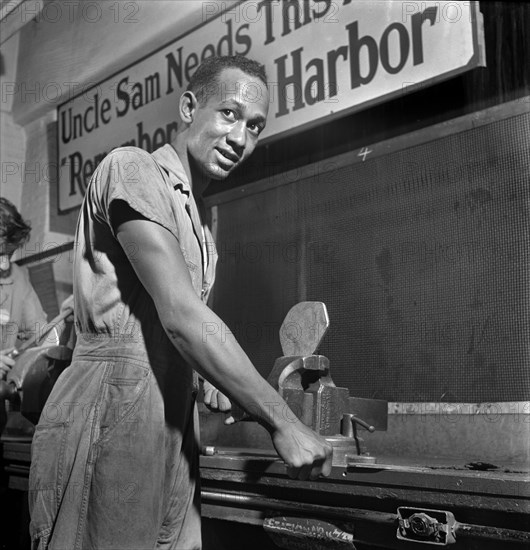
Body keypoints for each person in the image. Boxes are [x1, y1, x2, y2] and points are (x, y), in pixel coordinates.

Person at [28, 55, 333, 550]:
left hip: (170, 426)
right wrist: (282, 420)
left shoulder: (202, 227)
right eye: (229, 114)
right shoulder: (132, 169)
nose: (240, 138)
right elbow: (182, 316)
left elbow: (171, 326)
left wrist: (202, 377)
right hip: (109, 407)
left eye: (255, 126)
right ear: (190, 106)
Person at [0, 197, 48, 380]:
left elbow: (41, 333)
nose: (5, 266)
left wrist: (66, 327)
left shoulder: (17, 278)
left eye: (9, 255)